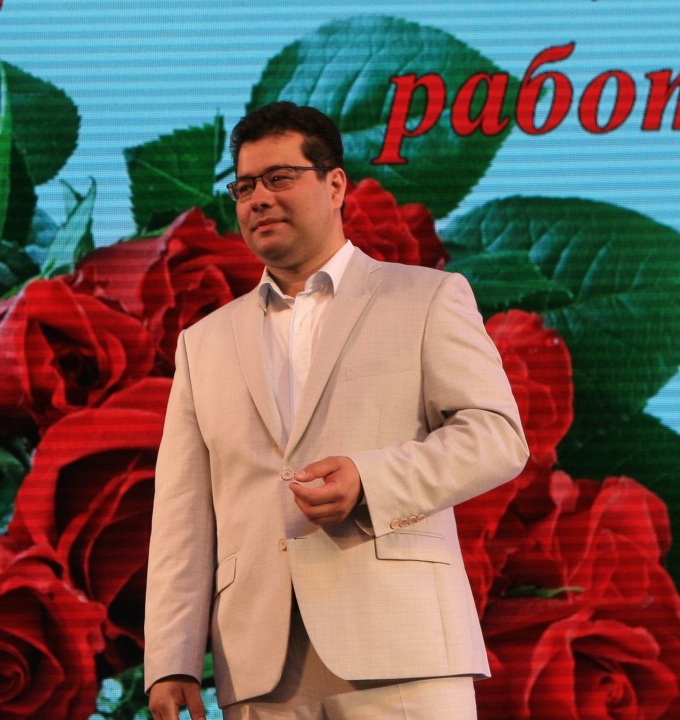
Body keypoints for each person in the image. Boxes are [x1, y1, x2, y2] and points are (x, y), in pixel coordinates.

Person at [143, 103, 529, 719]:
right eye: (244, 187)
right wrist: (171, 658)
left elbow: (496, 436)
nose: (259, 199)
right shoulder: (203, 343)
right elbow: (181, 514)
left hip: (403, 650)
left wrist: (370, 480)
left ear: (335, 185)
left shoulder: (425, 296)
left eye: (279, 178)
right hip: (261, 668)